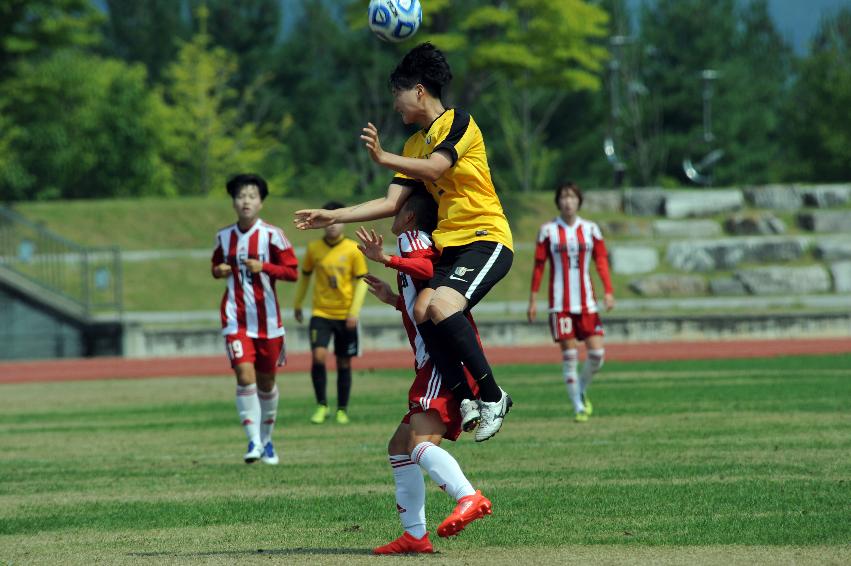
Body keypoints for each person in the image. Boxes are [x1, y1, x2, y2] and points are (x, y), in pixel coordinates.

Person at [295, 42, 514, 442]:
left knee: (443, 306)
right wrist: (334, 215)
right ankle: (465, 397)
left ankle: (494, 395)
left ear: (417, 90)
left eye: (396, 93)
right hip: (451, 247)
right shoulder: (413, 144)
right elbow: (391, 202)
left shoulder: (458, 122)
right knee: (422, 307)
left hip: (486, 236)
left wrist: (383, 157)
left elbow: (437, 166)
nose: (394, 104)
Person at [357, 191, 493, 554]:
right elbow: (424, 291)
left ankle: (468, 497)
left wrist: (385, 258)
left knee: (417, 446)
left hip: (439, 360)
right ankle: (415, 536)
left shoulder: (414, 239)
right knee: (399, 447)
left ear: (409, 217)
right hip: (433, 360)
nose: (391, 210)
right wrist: (392, 299)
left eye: (397, 206)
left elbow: (430, 270)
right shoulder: (411, 241)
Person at [211, 173, 299, 464]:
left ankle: (267, 441)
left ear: (260, 202)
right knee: (243, 374)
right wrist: (220, 270)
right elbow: (215, 265)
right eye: (240, 196)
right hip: (235, 318)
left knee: (266, 383)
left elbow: (292, 271)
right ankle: (252, 442)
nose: (245, 201)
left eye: (251, 196)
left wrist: (264, 267)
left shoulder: (273, 235)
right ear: (234, 202)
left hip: (268, 321)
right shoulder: (224, 237)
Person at [527, 181, 615, 422]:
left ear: (579, 200)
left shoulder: (591, 229)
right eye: (563, 197)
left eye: (572, 197)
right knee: (570, 357)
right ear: (558, 201)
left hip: (587, 302)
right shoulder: (548, 231)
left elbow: (601, 261)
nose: (568, 201)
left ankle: (581, 389)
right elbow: (538, 267)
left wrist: (608, 291)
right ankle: (578, 406)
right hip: (560, 305)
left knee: (597, 354)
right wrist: (533, 300)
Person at [292, 202, 368, 425]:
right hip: (321, 313)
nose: (333, 225)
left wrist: (354, 312)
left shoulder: (353, 249)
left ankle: (342, 409)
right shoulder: (314, 249)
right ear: (322, 223)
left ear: (344, 222)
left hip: (345, 315)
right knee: (318, 356)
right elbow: (305, 277)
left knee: (344, 362)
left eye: (338, 220)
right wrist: (297, 304)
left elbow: (362, 282)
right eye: (329, 221)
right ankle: (321, 405)